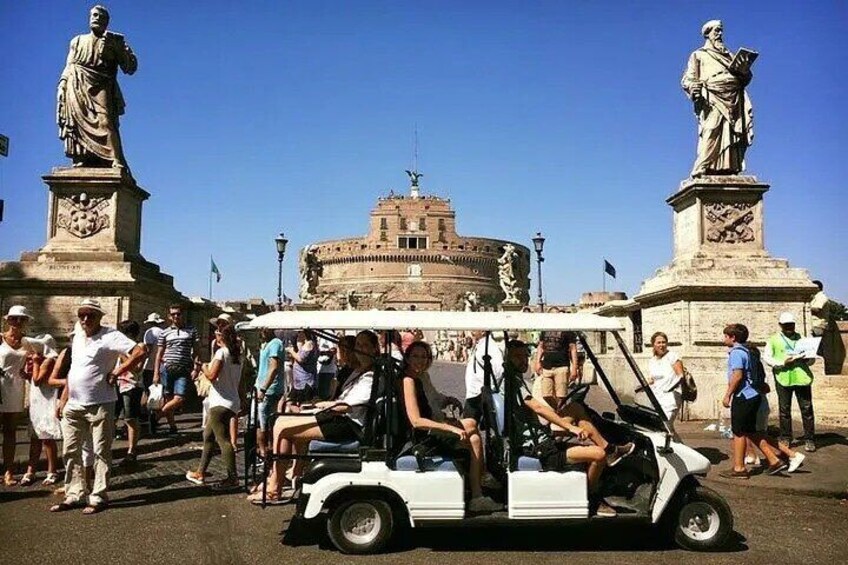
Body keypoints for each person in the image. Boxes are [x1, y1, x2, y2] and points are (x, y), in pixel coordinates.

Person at [50, 299, 145, 514]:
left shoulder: (110, 335)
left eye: (90, 315)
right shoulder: (78, 334)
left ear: (100, 317)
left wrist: (118, 372)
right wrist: (63, 399)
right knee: (70, 451)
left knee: (101, 451)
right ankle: (74, 493)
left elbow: (140, 350)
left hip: (100, 403)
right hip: (74, 403)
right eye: (81, 314)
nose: (85, 319)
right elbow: (74, 370)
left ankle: (98, 495)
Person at [261, 330, 379, 502]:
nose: (359, 349)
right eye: (358, 345)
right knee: (280, 420)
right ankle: (284, 477)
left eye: (364, 346)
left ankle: (274, 487)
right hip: (338, 416)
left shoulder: (370, 375)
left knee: (283, 427)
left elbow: (347, 405)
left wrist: (322, 405)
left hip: (348, 423)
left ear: (375, 348)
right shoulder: (358, 371)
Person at [504, 340, 614, 517]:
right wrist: (572, 428)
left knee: (576, 409)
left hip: (539, 436)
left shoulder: (513, 378)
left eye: (525, 356)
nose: (523, 360)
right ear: (507, 358)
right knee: (598, 456)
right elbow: (538, 408)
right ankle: (591, 497)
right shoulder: (513, 384)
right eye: (517, 357)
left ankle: (611, 449)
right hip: (539, 448)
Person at [400, 341, 500, 513]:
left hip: (434, 427)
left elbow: (433, 398)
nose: (420, 360)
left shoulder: (422, 376)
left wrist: (448, 400)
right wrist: (451, 428)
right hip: (423, 437)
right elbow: (416, 421)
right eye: (415, 356)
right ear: (407, 358)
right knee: (473, 432)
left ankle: (478, 488)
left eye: (424, 357)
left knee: (473, 430)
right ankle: (479, 487)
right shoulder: (408, 380)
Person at [57, 5, 137, 169]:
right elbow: (69, 64)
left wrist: (118, 49)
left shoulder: (114, 41)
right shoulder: (77, 40)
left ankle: (115, 159)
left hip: (102, 85)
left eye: (101, 16)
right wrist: (62, 84)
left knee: (105, 120)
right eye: (94, 15)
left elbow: (130, 67)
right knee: (77, 122)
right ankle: (84, 157)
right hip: (77, 82)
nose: (97, 18)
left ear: (107, 21)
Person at [681, 20, 754, 177]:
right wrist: (693, 87)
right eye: (716, 31)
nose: (720, 34)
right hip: (712, 96)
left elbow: (746, 78)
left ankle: (730, 166)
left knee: (732, 131)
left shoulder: (730, 55)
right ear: (708, 34)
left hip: (734, 97)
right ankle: (702, 166)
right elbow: (688, 78)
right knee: (712, 129)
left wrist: (745, 70)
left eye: (721, 31)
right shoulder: (699, 55)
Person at [718, 323, 787, 479]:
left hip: (743, 396)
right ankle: (774, 460)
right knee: (750, 431)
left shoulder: (736, 353)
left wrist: (728, 394)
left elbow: (737, 376)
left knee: (739, 432)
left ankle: (739, 468)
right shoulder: (748, 352)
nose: (724, 339)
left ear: (733, 337)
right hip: (754, 394)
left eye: (726, 336)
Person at [2, 306, 59, 486]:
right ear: (7, 320)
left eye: (22, 319)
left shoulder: (29, 343)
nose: (17, 322)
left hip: (16, 389)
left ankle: (8, 472)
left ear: (26, 321)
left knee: (10, 433)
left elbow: (49, 354)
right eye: (14, 318)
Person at [186, 326, 244, 489]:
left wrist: (203, 366)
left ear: (221, 338)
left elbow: (211, 375)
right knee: (208, 436)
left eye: (218, 335)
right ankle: (200, 472)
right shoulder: (238, 355)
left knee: (223, 440)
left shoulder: (222, 353)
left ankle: (233, 478)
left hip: (219, 402)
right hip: (231, 400)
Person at [763, 313, 816, 452]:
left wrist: (807, 359)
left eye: (791, 325)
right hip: (784, 378)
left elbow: (812, 359)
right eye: (786, 325)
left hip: (801, 377)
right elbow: (767, 358)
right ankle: (786, 436)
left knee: (807, 409)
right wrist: (782, 362)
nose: (789, 328)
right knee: (784, 410)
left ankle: (809, 438)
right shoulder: (773, 340)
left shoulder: (803, 339)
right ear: (781, 325)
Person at [21, 335, 61, 487]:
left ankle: (52, 470)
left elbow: (38, 380)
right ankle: (31, 469)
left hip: (46, 399)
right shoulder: (39, 360)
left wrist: (36, 363)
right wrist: (27, 376)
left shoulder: (48, 360)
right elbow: (33, 379)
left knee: (46, 437)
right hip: (37, 399)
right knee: (35, 435)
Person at [154, 303, 199, 435]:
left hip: (184, 369)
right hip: (167, 369)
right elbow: (159, 354)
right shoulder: (164, 332)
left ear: (182, 314)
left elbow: (196, 351)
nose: (176, 316)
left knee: (179, 398)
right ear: (169, 316)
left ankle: (156, 417)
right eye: (173, 314)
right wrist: (156, 373)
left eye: (178, 314)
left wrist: (196, 368)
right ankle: (172, 427)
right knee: (168, 399)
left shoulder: (192, 330)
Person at [533, 309, 578, 408]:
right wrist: (537, 362)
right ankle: (558, 413)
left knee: (561, 396)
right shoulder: (545, 330)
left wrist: (574, 367)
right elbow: (541, 346)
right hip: (547, 367)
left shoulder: (567, 330)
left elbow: (573, 349)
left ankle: (561, 415)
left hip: (561, 366)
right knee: (546, 395)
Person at [115, 320, 145, 465]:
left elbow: (137, 368)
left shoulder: (139, 347)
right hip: (116, 384)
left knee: (130, 418)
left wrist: (123, 356)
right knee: (112, 418)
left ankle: (132, 451)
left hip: (131, 385)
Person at [255, 327, 285, 459]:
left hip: (269, 390)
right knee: (259, 422)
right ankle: (263, 452)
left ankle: (267, 454)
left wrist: (263, 389)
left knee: (265, 424)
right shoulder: (265, 344)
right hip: (260, 387)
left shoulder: (276, 343)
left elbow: (273, 368)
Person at [462, 331, 505, 424]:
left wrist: (490, 388)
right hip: (474, 393)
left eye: (475, 329)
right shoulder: (480, 345)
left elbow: (499, 370)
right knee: (470, 425)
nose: (471, 331)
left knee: (467, 425)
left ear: (482, 331)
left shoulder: (489, 346)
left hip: (480, 394)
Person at [646, 332, 684, 435]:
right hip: (657, 398)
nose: (661, 345)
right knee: (667, 428)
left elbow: (681, 376)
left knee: (664, 426)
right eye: (658, 342)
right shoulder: (652, 360)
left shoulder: (672, 356)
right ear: (653, 344)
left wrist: (671, 387)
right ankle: (680, 448)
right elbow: (653, 379)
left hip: (671, 398)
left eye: (664, 342)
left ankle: (672, 449)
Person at [140, 313, 165, 432]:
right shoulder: (163, 332)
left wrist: (141, 362)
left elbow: (148, 350)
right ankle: (155, 415)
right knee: (158, 393)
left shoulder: (149, 332)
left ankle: (146, 416)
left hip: (149, 366)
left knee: (146, 391)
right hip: (160, 367)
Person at [286, 330, 317, 404]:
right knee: (290, 402)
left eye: (300, 332)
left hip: (304, 381)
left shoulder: (309, 344)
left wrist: (291, 351)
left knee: (301, 403)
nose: (298, 334)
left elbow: (301, 359)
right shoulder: (307, 343)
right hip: (299, 380)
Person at [315, 331, 338, 400]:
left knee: (324, 396)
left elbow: (333, 350)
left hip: (327, 370)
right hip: (321, 369)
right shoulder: (320, 333)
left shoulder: (327, 333)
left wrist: (320, 353)